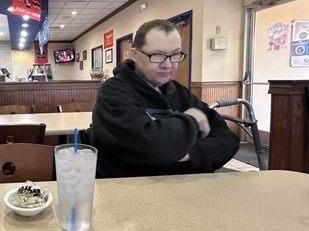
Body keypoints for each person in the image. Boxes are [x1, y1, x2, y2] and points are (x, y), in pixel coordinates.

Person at [91, 19, 239, 177]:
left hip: (188, 189)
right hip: (132, 192)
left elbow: (228, 139)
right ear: (134, 54)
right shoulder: (113, 91)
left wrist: (192, 153)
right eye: (157, 55)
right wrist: (192, 121)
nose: (168, 65)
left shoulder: (178, 91)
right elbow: (151, 146)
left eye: (175, 54)